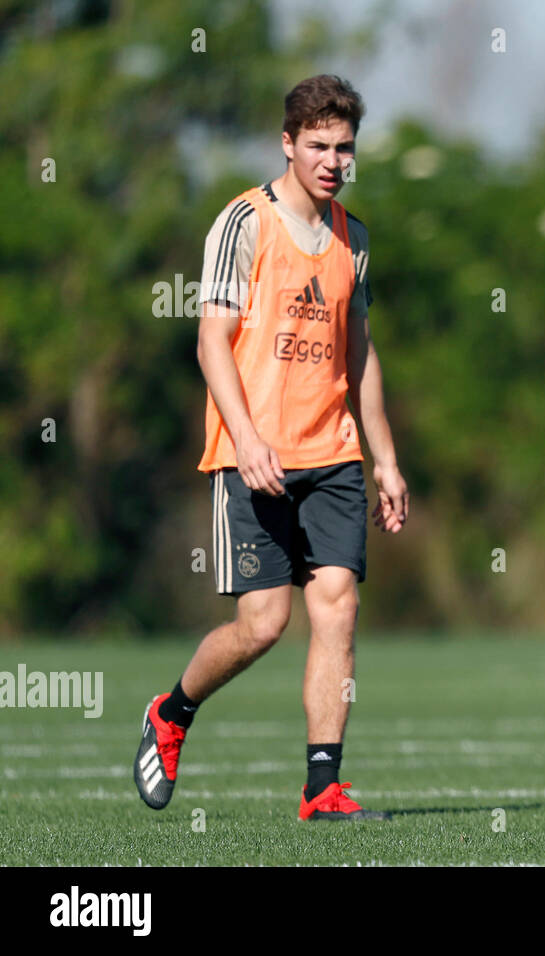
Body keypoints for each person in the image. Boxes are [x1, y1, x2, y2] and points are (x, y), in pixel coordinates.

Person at [133, 75, 408, 821]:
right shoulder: (242, 222)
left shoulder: (356, 237)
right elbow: (211, 341)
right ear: (287, 143)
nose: (332, 159)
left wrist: (384, 458)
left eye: (344, 147)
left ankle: (323, 787)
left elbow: (362, 356)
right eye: (317, 145)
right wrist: (248, 438)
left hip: (335, 455)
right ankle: (174, 711)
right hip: (251, 455)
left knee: (338, 607)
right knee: (263, 624)